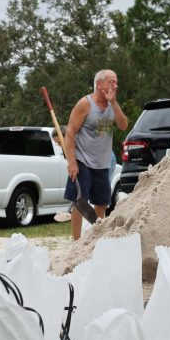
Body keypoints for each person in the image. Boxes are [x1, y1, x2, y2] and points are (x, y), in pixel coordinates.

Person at [64, 69, 127, 240]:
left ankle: (95, 240)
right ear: (99, 84)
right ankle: (76, 242)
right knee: (80, 201)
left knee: (102, 203)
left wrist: (114, 103)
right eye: (111, 82)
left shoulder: (112, 105)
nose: (115, 85)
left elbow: (123, 125)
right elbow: (70, 133)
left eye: (116, 81)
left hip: (103, 163)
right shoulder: (85, 104)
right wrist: (72, 162)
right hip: (82, 160)